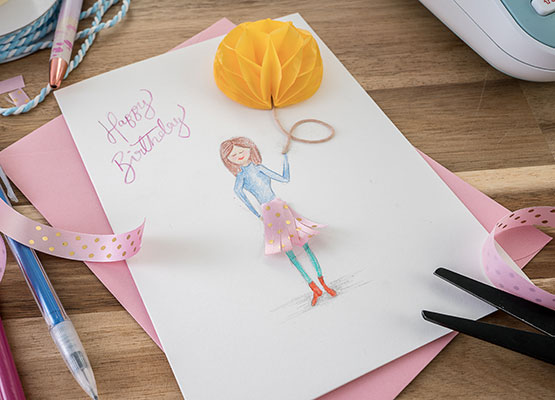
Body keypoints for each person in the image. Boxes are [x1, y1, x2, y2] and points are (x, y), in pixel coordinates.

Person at [220, 136, 336, 306]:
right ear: (228, 160)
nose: (238, 156)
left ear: (250, 148)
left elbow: (284, 179)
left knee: (304, 244)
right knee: (289, 252)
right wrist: (257, 214)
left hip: (280, 206)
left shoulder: (259, 168)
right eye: (233, 155)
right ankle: (313, 287)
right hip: (268, 212)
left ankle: (323, 283)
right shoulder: (241, 178)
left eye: (240, 151)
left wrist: (285, 159)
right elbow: (240, 195)